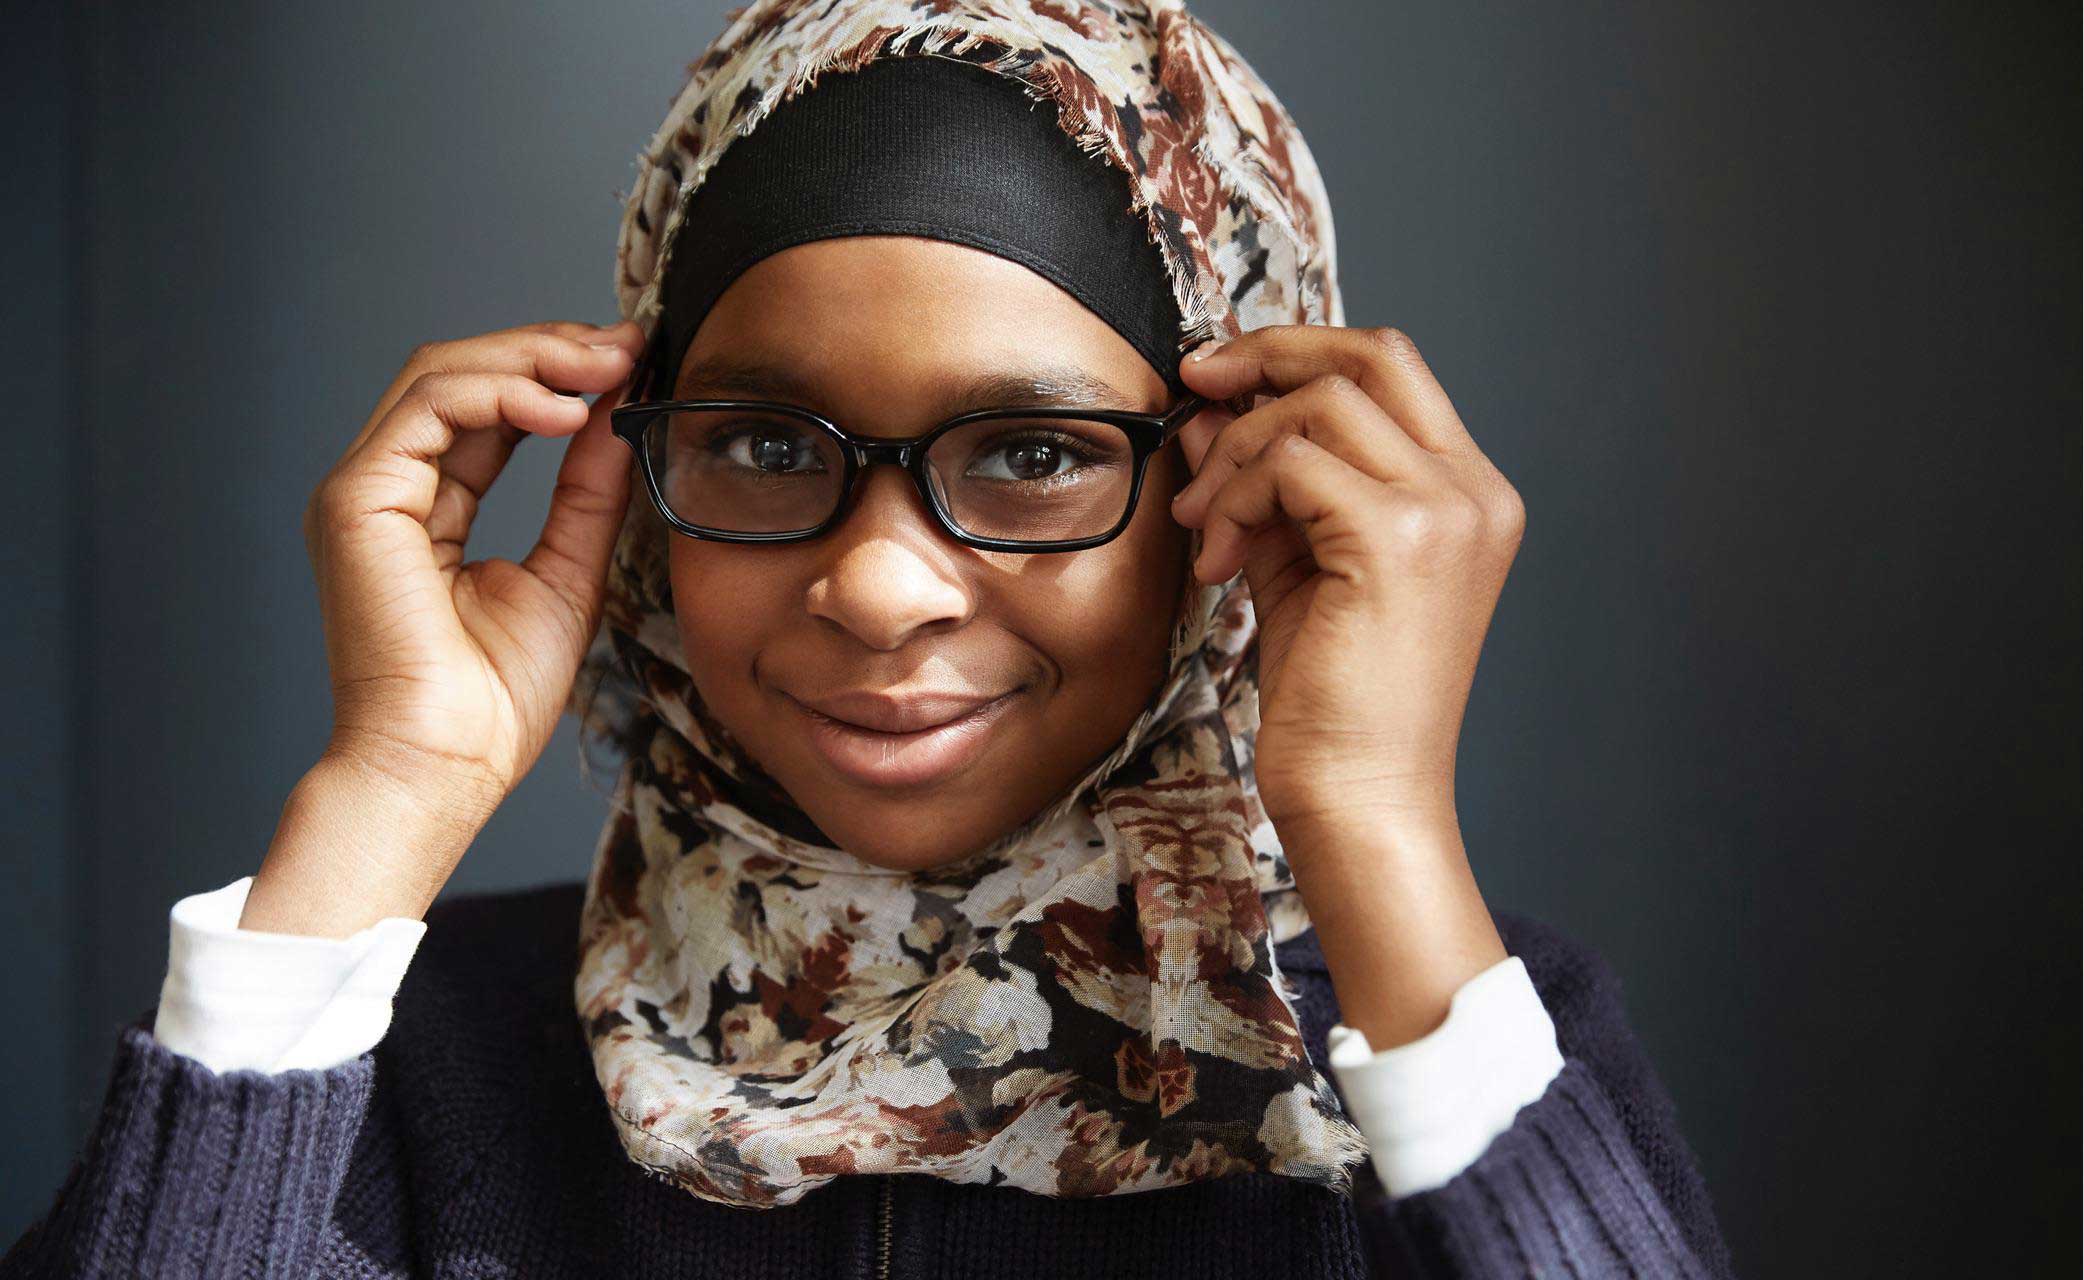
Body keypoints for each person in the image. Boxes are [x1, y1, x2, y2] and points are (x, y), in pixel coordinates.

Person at [3, 2, 1736, 1276]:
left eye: (1039, 453)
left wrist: (1370, 812)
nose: (880, 589)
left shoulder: (1467, 1035)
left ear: (1236, 482)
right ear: (636, 455)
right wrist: (387, 789)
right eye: (765, 444)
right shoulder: (414, 1062)